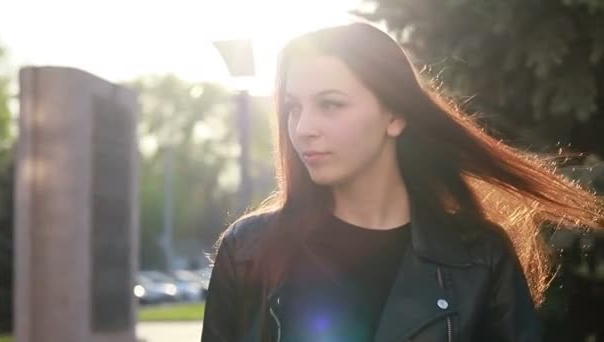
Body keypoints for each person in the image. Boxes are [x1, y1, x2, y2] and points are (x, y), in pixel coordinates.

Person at [201, 22, 604, 342]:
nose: (304, 128)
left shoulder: (479, 259)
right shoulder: (248, 251)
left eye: (330, 105)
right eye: (293, 108)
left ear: (394, 116)